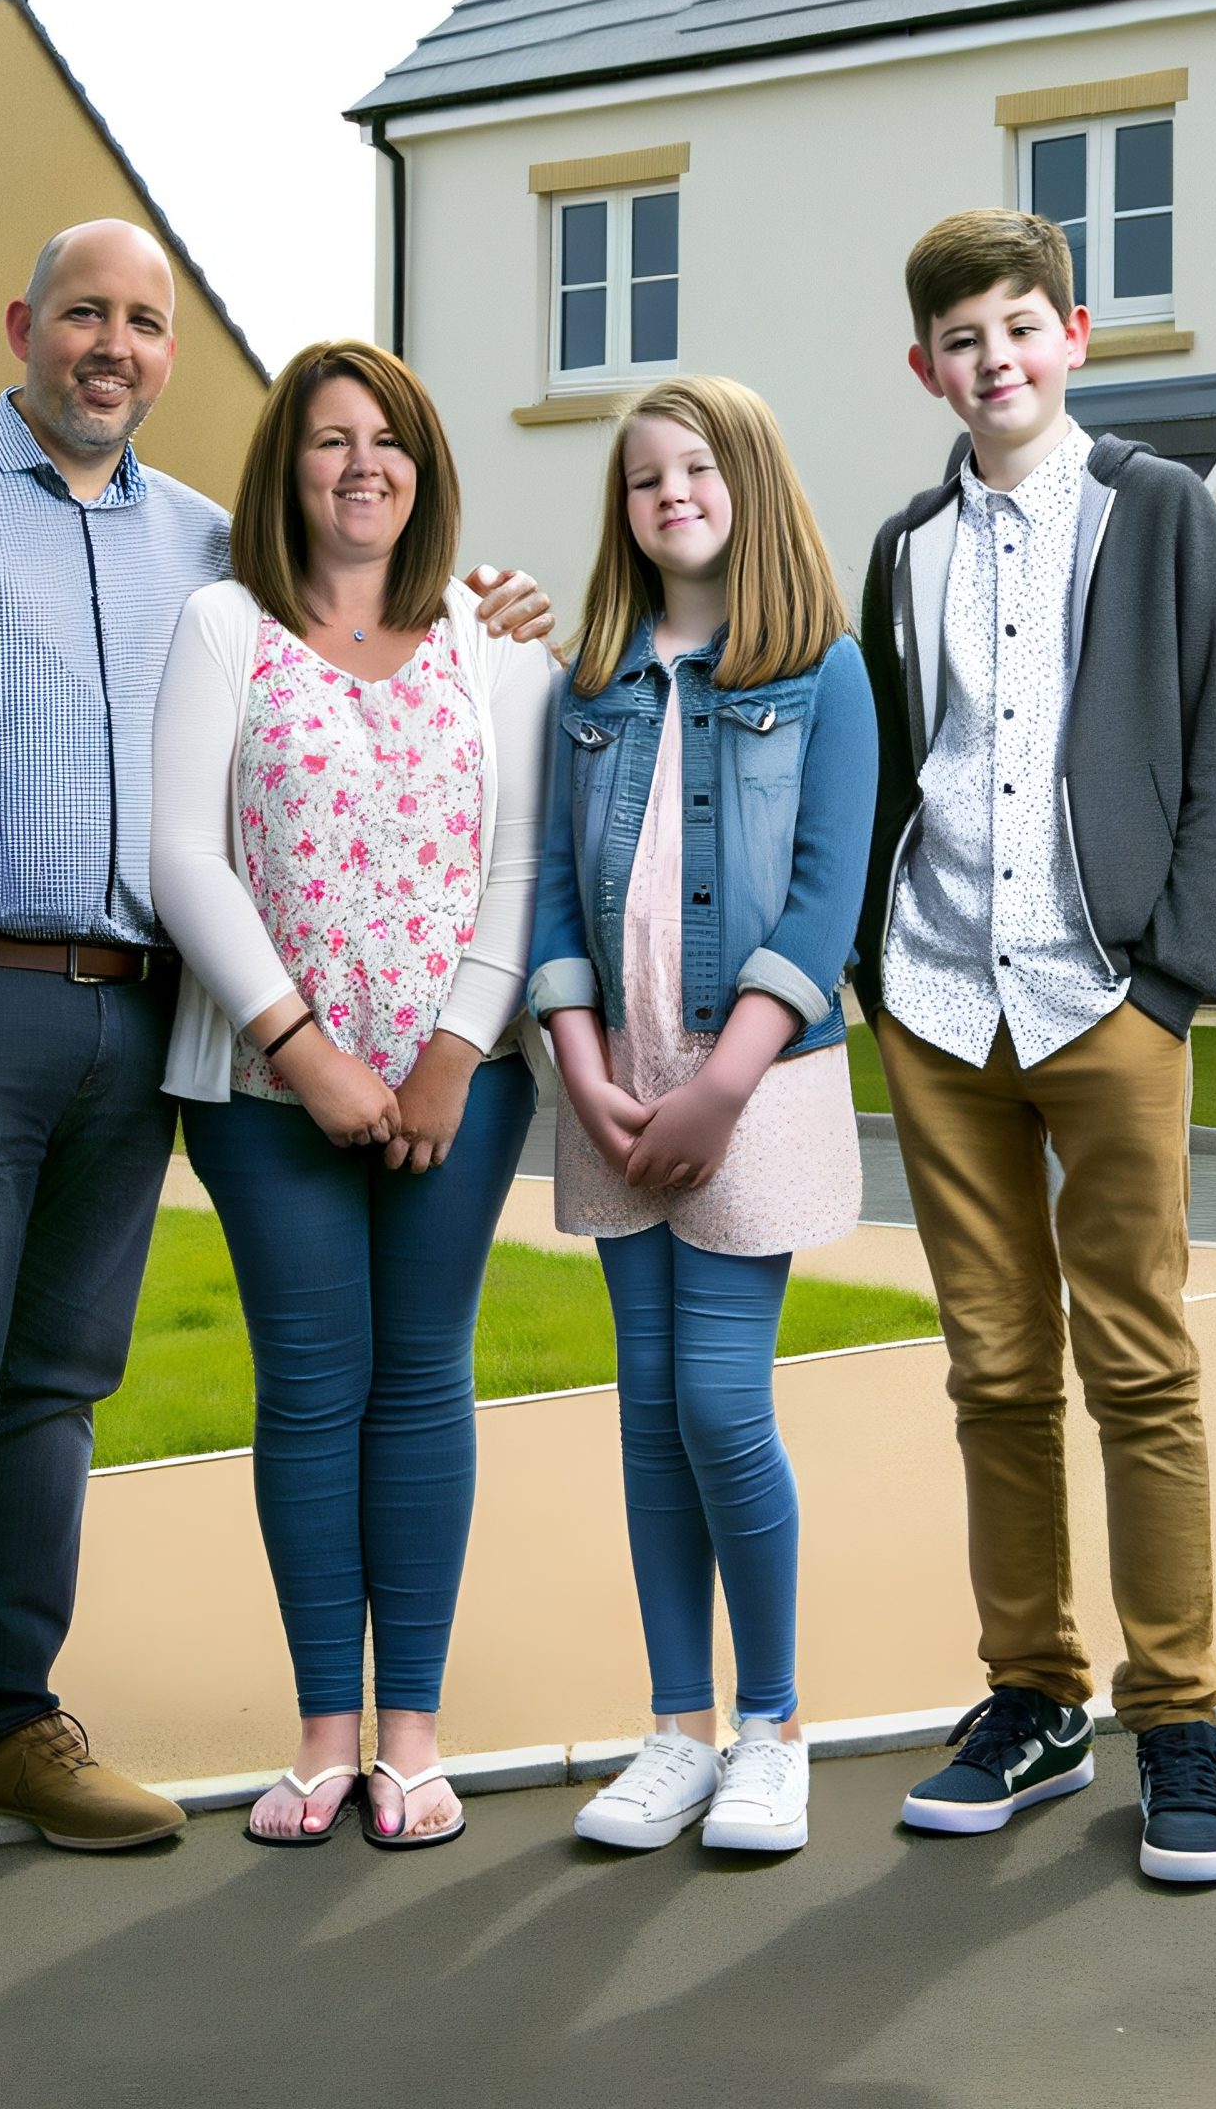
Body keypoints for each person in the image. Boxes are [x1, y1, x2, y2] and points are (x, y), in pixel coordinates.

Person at [0, 230, 549, 1955]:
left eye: (144, 323)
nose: (109, 347)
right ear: (21, 323)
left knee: (55, 1386)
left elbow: (377, 613)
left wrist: (491, 614)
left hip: (139, 1026)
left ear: (169, 353)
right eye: (84, 315)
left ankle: (5, 1724)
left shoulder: (211, 542)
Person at [854, 209, 1216, 1885]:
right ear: (927, 367)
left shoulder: (1161, 512)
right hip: (944, 1007)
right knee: (996, 1372)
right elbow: (898, 762)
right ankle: (1033, 1696)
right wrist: (882, 972)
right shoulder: (903, 548)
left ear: (1073, 336)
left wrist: (1165, 977)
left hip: (1108, 1000)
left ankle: (1179, 1721)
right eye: (963, 340)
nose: (995, 359)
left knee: (1143, 1368)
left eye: (1021, 327)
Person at [148, 338, 557, 1852]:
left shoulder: (490, 635)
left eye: (387, 439)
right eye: (329, 440)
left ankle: (416, 1738)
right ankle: (326, 1734)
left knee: (422, 1379)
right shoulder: (221, 628)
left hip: (464, 1089)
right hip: (269, 1096)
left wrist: (453, 1048)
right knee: (314, 1390)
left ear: (425, 467)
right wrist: (302, 1048)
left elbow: (521, 859)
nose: (360, 464)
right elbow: (184, 852)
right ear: (288, 470)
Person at [527, 377, 875, 1857]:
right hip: (616, 1089)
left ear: (747, 481)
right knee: (651, 1414)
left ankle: (774, 1728)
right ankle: (676, 1729)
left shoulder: (823, 670)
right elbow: (552, 881)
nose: (669, 492)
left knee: (723, 1404)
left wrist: (724, 1081)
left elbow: (824, 891)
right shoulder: (589, 680)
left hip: (758, 1087)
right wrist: (579, 1062)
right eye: (641, 478)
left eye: (695, 466)